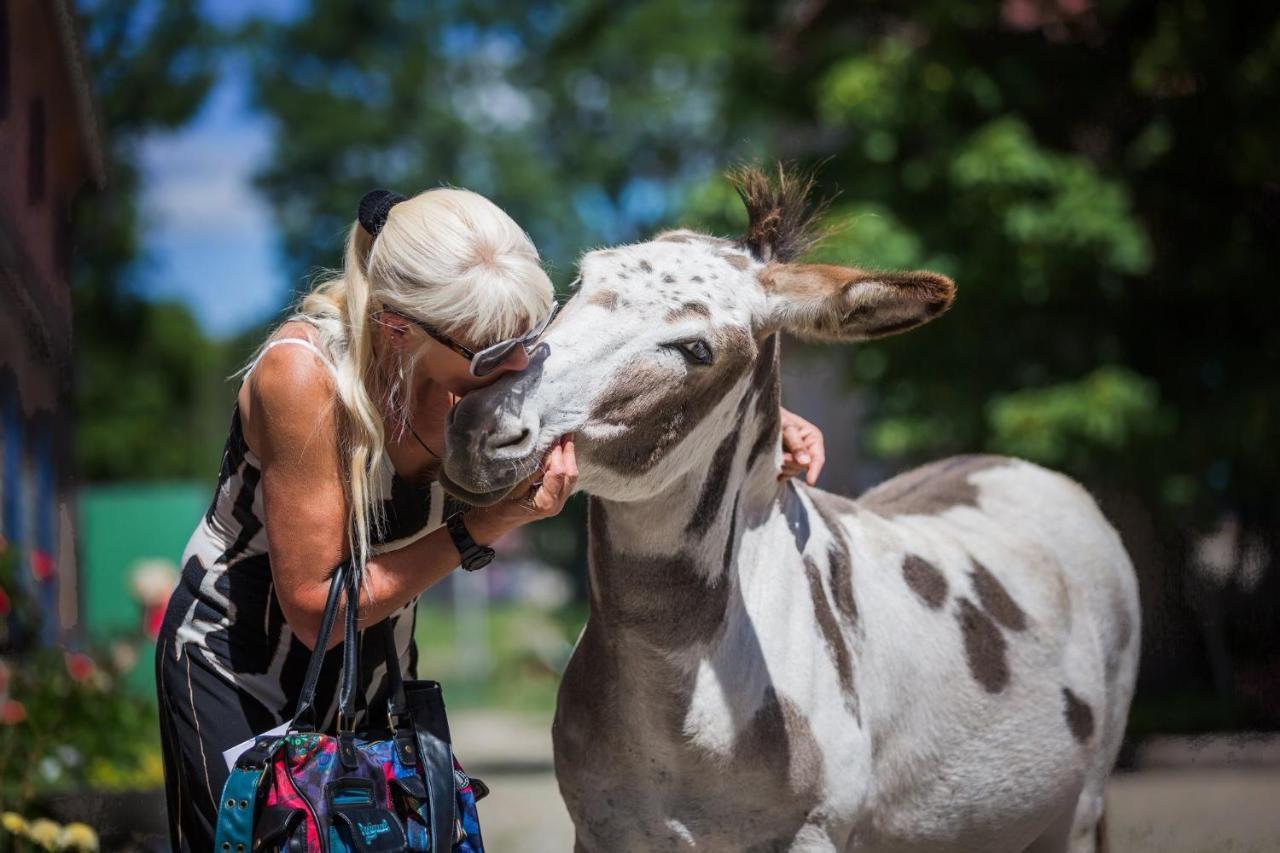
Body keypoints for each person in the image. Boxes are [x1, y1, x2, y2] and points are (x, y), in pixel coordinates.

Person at [153, 186, 826, 851]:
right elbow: (314, 605)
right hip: (241, 673)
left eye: (528, 338)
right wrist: (483, 527)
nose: (517, 369)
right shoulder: (305, 379)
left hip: (373, 670)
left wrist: (757, 420)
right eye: (487, 354)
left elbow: (616, 372)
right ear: (399, 327)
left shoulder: (474, 354)